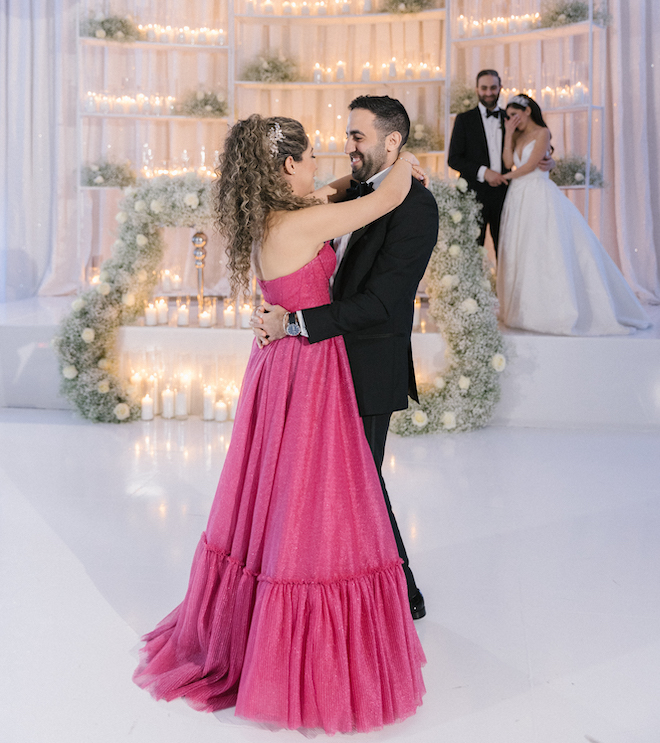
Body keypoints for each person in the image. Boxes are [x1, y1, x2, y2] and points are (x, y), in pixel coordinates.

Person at [133, 115, 427, 734]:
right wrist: (403, 159)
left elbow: (331, 198)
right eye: (312, 157)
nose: (320, 166)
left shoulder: (272, 219)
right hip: (309, 369)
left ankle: (256, 622)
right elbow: (389, 196)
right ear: (288, 166)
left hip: (277, 367)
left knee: (271, 494)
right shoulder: (301, 223)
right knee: (310, 498)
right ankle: (297, 646)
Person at [252, 96, 439, 621]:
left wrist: (294, 323)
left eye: (357, 136)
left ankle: (403, 596)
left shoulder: (415, 205)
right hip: (320, 364)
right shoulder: (357, 192)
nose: (347, 145)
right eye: (347, 134)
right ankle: (355, 592)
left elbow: (383, 303)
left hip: (364, 365)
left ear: (392, 141)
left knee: (363, 486)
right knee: (340, 488)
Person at [497, 94, 650, 335]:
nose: (512, 120)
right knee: (521, 248)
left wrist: (503, 178)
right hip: (518, 196)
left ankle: (554, 309)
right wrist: (507, 134)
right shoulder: (517, 135)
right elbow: (508, 161)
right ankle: (520, 309)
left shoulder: (542, 133)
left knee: (543, 246)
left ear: (527, 111)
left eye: (515, 115)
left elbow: (529, 165)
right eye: (509, 117)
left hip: (537, 194)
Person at [447, 69, 554, 254]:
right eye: (484, 88)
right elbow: (454, 159)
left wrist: (551, 162)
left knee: (507, 250)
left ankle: (502, 283)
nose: (489, 93)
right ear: (477, 89)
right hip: (473, 193)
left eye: (493, 88)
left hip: (506, 194)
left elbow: (536, 146)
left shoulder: (512, 117)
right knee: (470, 248)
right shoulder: (464, 120)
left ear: (500, 88)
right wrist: (484, 172)